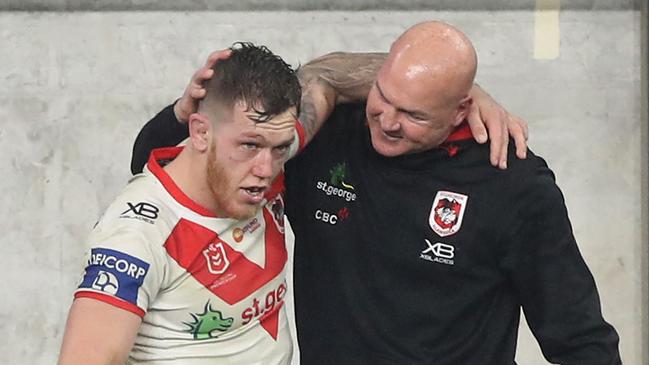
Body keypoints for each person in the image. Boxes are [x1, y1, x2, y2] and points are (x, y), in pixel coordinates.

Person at [132, 22, 621, 364]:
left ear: (460, 110)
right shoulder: (328, 140)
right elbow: (168, 176)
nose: (387, 122)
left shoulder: (510, 182)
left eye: (414, 115)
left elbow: (579, 339)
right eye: (382, 96)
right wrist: (181, 112)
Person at [58, 43, 305, 365]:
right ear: (201, 132)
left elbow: (327, 83)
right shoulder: (136, 235)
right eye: (249, 145)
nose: (266, 170)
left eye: (280, 149)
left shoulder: (268, 148)